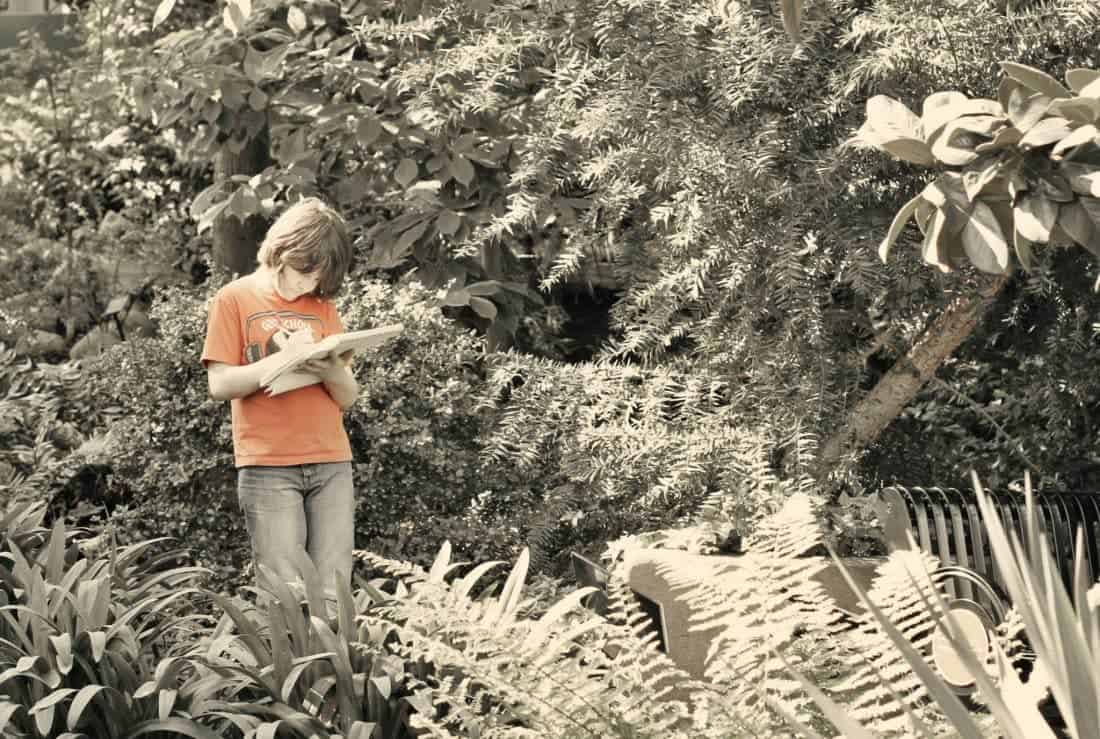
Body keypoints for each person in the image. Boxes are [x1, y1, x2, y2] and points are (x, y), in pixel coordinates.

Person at [201, 197, 359, 595]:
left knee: (333, 591)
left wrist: (331, 370)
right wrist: (280, 362)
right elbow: (219, 384)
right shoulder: (234, 299)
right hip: (269, 465)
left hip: (331, 462)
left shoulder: (321, 306)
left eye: (319, 279)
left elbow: (348, 396)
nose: (310, 285)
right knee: (285, 595)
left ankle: (332, 660)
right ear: (281, 251)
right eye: (306, 272)